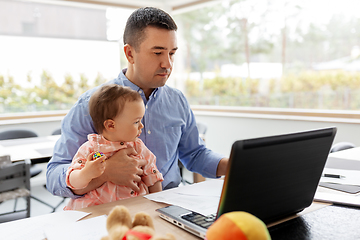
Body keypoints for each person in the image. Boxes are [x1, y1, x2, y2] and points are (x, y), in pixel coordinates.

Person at [46, 7, 228, 199]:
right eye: (158, 53)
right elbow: (54, 175)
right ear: (130, 53)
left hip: (171, 206)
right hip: (111, 214)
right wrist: (104, 172)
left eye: (172, 53)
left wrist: (234, 164)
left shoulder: (177, 101)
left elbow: (195, 154)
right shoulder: (91, 104)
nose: (167, 64)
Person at [64, 84, 163, 210]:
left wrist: (159, 206)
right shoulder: (91, 149)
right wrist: (86, 173)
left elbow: (153, 177)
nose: (141, 126)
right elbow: (73, 183)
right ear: (111, 125)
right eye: (136, 121)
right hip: (98, 211)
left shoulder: (138, 147)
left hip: (133, 208)